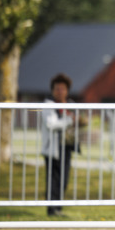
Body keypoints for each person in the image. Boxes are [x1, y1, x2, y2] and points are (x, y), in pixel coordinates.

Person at [40, 73, 83, 216]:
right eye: (57, 89)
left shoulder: (70, 104)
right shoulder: (49, 104)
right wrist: (71, 121)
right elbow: (51, 124)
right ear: (52, 90)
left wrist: (81, 121)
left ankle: (58, 207)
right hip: (53, 147)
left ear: (67, 90)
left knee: (64, 178)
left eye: (63, 89)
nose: (60, 92)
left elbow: (77, 120)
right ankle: (51, 209)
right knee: (53, 179)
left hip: (67, 145)